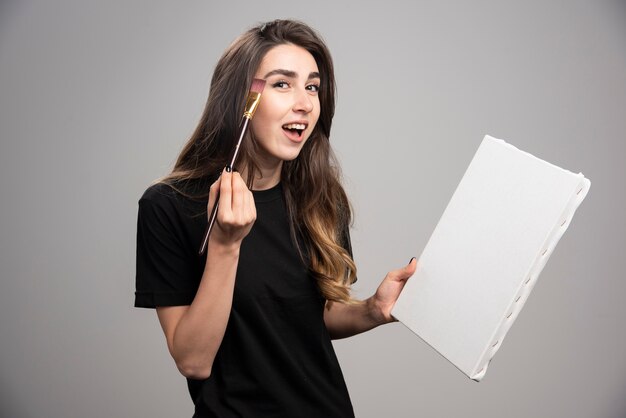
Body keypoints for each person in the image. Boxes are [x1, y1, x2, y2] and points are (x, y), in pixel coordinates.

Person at [135, 19, 417, 418]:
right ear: (241, 99)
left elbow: (310, 315)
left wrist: (372, 309)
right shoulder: (167, 206)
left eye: (313, 86)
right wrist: (226, 245)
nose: (304, 102)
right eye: (282, 84)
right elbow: (193, 360)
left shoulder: (320, 199)